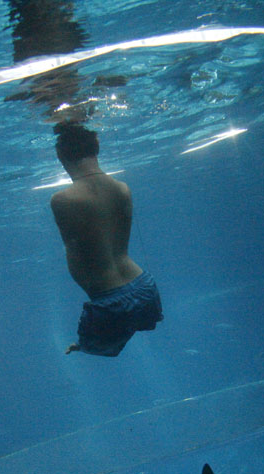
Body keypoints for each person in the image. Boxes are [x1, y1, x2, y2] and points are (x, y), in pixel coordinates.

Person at [51, 122, 163, 356]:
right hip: (144, 288)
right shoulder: (122, 188)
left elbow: (75, 248)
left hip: (108, 301)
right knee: (120, 327)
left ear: (60, 155)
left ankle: (86, 345)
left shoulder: (63, 200)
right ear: (97, 148)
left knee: (93, 348)